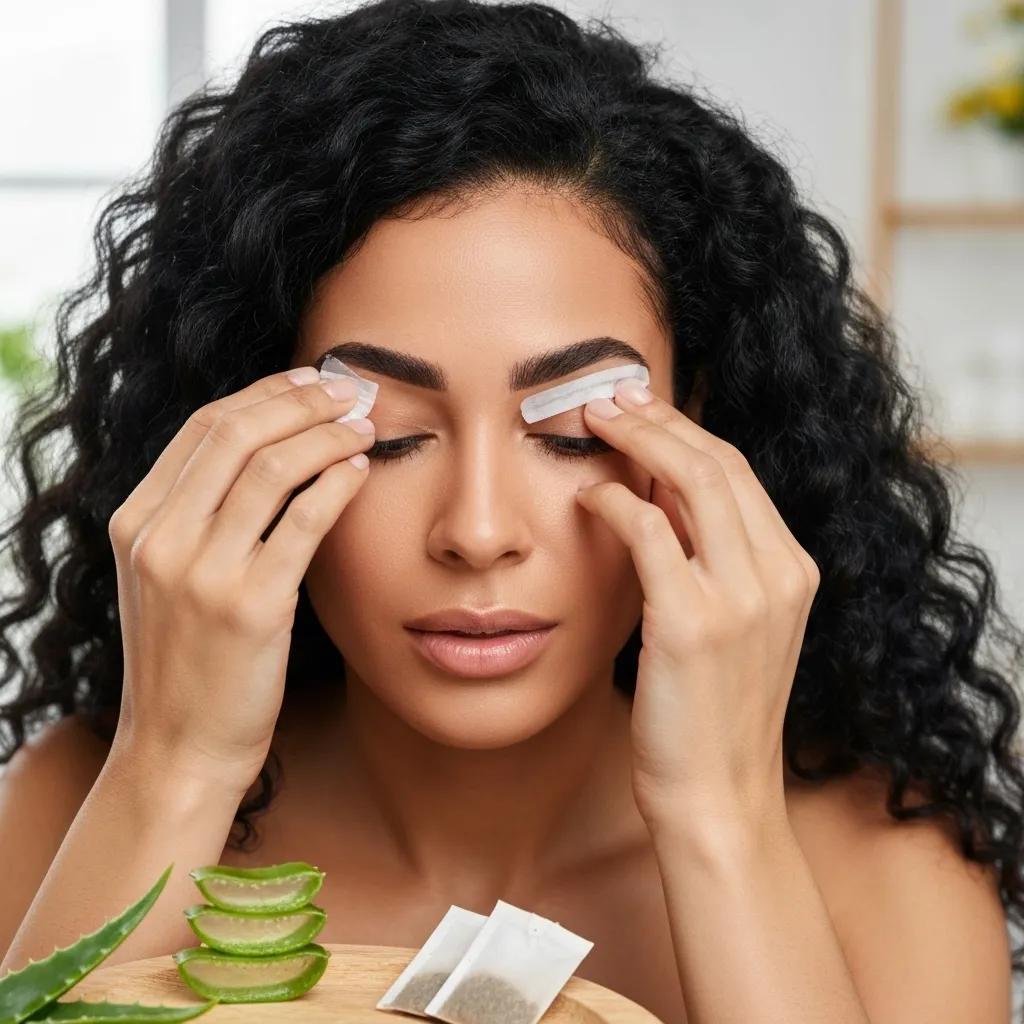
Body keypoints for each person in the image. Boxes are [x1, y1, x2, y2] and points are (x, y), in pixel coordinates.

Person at [0, 1, 1020, 1020]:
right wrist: (175, 767)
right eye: (387, 430)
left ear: (702, 425)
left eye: (575, 430)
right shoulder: (81, 803)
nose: (479, 531)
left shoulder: (884, 874)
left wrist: (722, 823)